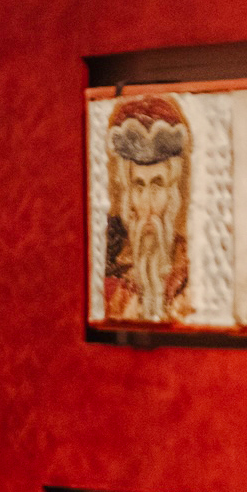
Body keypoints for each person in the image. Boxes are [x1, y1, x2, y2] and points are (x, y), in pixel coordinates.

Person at [102, 94, 193, 323]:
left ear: (172, 194)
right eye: (138, 186)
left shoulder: (189, 270)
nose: (148, 203)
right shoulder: (111, 267)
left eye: (157, 185)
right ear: (127, 195)